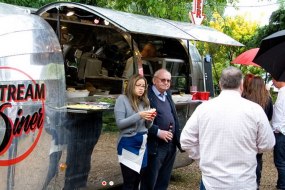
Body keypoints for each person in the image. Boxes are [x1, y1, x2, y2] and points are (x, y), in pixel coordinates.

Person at [180, 66, 275, 190]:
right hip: (244, 182)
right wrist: (252, 148)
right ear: (241, 85)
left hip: (211, 182)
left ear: (220, 84)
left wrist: (201, 157)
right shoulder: (255, 110)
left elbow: (186, 140)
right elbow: (268, 144)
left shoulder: (203, 109)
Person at [140, 69, 183, 190]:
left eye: (168, 80)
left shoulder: (167, 94)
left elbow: (173, 116)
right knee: (149, 181)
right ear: (154, 80)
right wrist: (158, 132)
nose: (166, 83)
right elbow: (140, 120)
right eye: (163, 80)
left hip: (170, 144)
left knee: (163, 181)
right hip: (155, 145)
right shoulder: (146, 96)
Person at [114, 74, 156, 190]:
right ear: (132, 85)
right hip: (128, 142)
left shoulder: (145, 102)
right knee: (129, 181)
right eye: (138, 85)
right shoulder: (122, 99)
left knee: (138, 179)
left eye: (143, 86)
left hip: (142, 143)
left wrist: (150, 119)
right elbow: (120, 123)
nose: (141, 88)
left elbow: (147, 126)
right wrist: (139, 115)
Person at [242, 75, 273, 189]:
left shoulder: (244, 97)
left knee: (246, 156)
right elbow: (270, 116)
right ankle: (256, 183)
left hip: (246, 132)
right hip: (260, 134)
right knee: (258, 158)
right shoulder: (268, 99)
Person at [271, 78, 285, 190]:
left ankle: (282, 185)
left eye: (273, 79)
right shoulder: (281, 93)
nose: (272, 82)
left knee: (280, 163)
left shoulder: (283, 93)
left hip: (281, 133)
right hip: (280, 132)